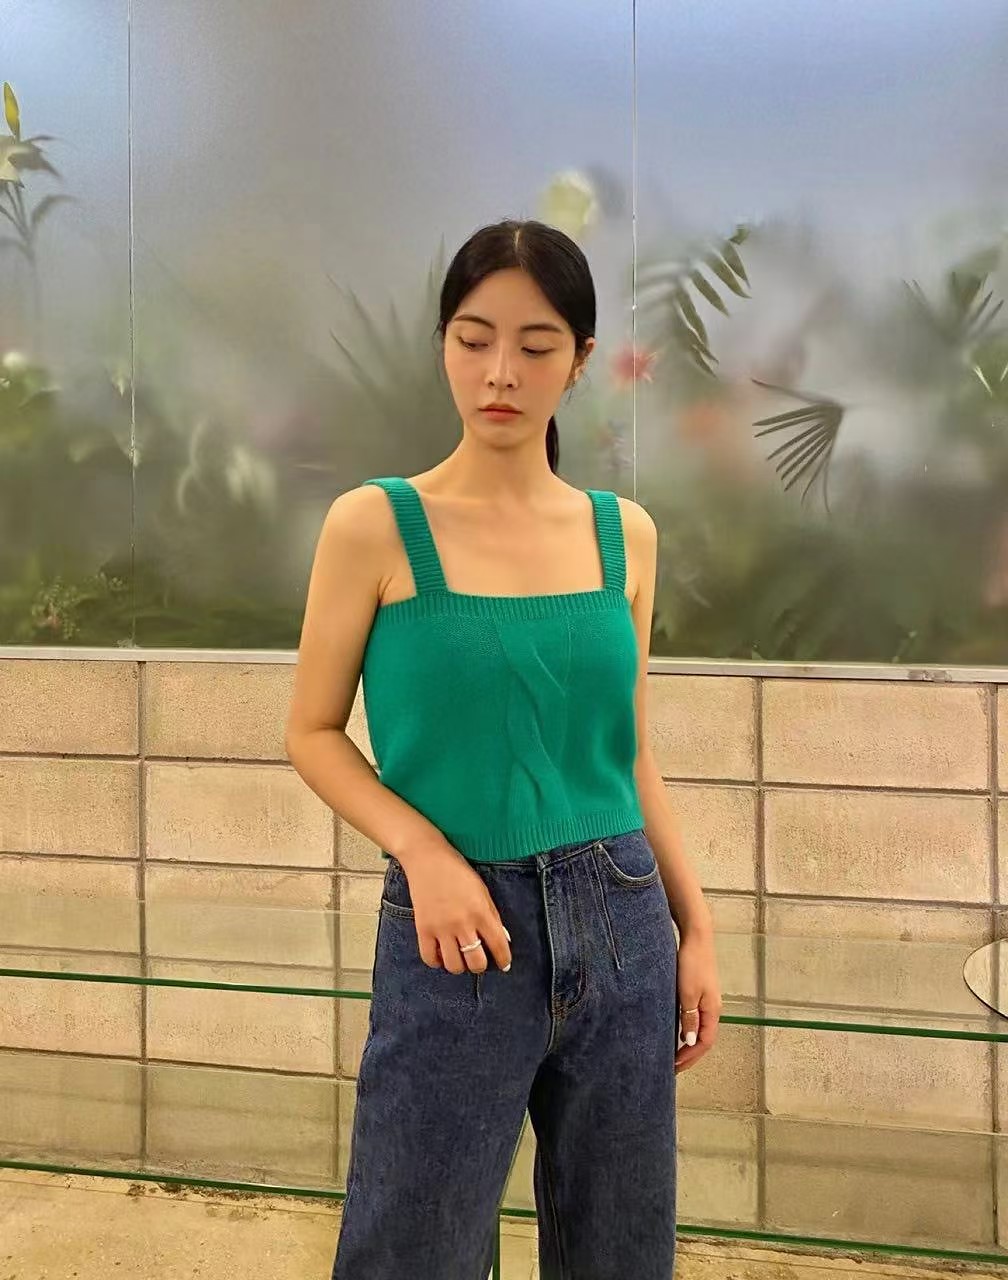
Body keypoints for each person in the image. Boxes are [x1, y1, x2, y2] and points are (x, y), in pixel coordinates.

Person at [285, 218, 721, 1280]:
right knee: (412, 1246)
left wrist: (697, 926)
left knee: (621, 1250)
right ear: (443, 343)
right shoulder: (374, 524)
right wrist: (423, 852)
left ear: (580, 360)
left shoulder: (625, 534)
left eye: (536, 345)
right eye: (475, 339)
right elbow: (311, 732)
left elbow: (630, 751)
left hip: (623, 921)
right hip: (456, 934)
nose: (501, 373)